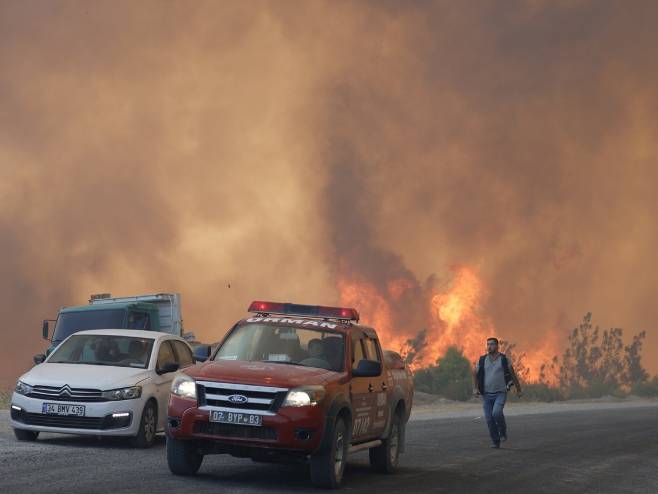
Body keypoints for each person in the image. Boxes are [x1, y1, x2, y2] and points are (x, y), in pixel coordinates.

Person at [473, 337, 522, 449]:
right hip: (486, 395)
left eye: (492, 344)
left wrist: (518, 389)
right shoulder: (482, 360)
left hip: (500, 393)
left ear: (497, 346)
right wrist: (475, 389)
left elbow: (513, 375)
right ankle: (496, 442)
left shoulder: (504, 360)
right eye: (488, 344)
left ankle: (503, 431)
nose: (489, 346)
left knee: (496, 413)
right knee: (489, 419)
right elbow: (475, 373)